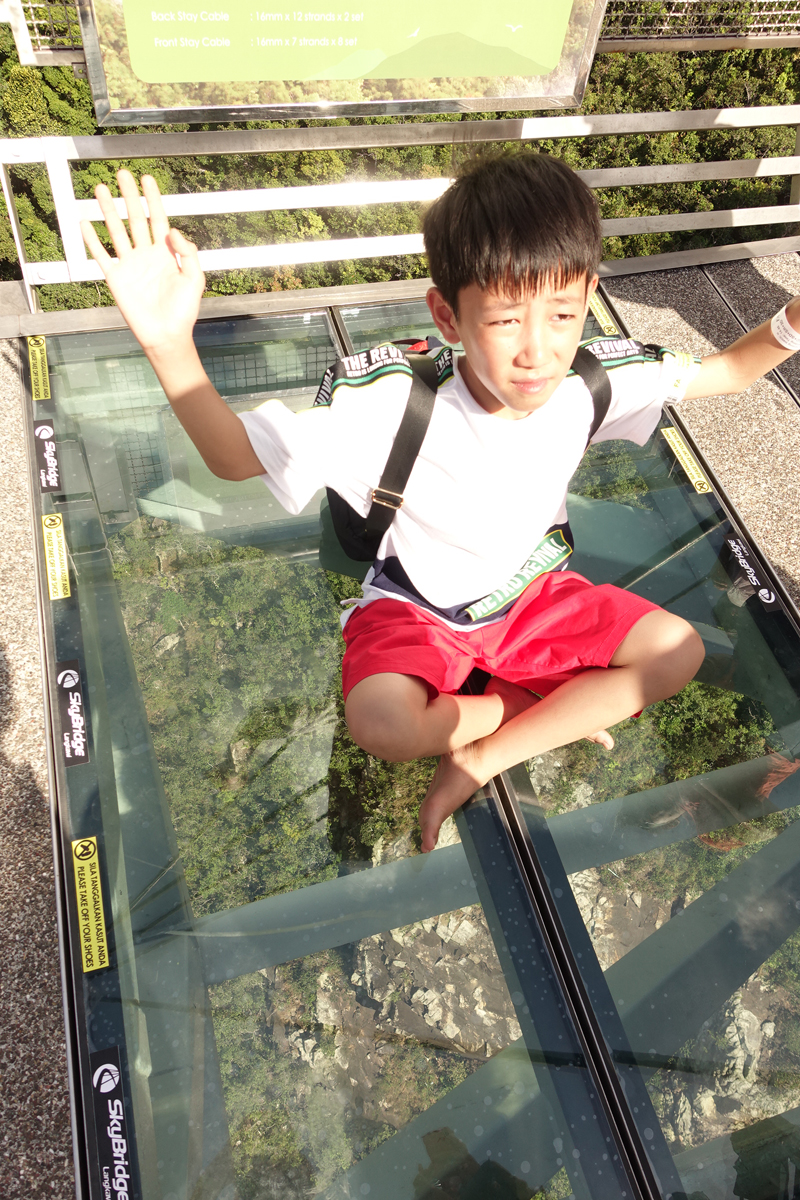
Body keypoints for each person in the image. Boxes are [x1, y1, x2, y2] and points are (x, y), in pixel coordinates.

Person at [81, 152, 800, 853]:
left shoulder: (592, 378)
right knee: (381, 724)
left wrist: (794, 319)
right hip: (416, 606)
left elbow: (730, 371)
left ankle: (482, 755)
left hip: (530, 595)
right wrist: (169, 341)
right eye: (505, 319)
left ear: (586, 298)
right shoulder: (395, 400)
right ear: (448, 316)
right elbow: (233, 457)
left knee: (676, 652)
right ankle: (521, 706)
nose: (538, 351)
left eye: (562, 313)